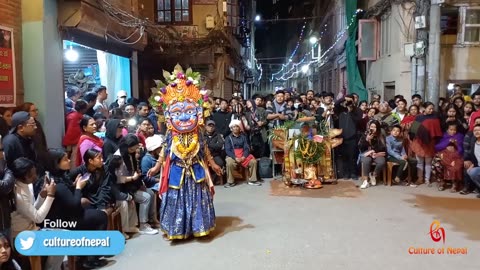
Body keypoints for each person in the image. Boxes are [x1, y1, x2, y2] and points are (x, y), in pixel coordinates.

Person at [155, 70, 222, 240]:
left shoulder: (198, 133)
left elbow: (205, 149)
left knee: (198, 201)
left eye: (189, 112)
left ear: (198, 113)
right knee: (176, 201)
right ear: (168, 115)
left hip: (196, 173)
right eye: (177, 113)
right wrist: (157, 165)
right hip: (177, 173)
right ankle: (178, 230)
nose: (184, 117)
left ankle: (198, 228)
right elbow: (165, 149)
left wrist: (213, 164)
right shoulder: (171, 134)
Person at [44, 149, 108, 269]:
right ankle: (90, 258)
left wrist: (74, 186)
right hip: (64, 221)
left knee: (93, 212)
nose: (69, 161)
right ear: (56, 164)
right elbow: (74, 205)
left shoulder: (61, 177)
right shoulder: (57, 182)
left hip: (68, 215)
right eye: (65, 160)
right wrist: (78, 187)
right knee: (101, 217)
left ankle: (85, 256)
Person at [10, 158, 64, 270]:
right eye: (33, 174)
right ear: (25, 176)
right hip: (20, 236)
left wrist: (42, 195)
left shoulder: (27, 184)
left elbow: (33, 211)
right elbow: (38, 218)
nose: (36, 176)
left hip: (32, 229)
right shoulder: (18, 194)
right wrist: (50, 195)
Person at [409, 102, 442, 186]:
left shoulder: (436, 117)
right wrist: (412, 138)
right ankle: (420, 178)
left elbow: (437, 131)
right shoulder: (419, 117)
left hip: (430, 142)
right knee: (419, 162)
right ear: (424, 108)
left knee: (428, 162)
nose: (431, 110)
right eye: (429, 108)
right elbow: (413, 130)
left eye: (432, 109)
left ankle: (427, 179)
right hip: (419, 142)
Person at [224, 120, 261, 188]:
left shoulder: (244, 137)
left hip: (243, 155)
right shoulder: (228, 138)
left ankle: (252, 180)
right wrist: (235, 158)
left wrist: (243, 157)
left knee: (253, 161)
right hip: (233, 156)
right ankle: (230, 182)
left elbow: (247, 148)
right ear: (231, 129)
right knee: (229, 162)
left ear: (239, 128)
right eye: (234, 127)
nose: (235, 128)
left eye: (237, 126)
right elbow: (227, 150)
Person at [359, 120, 386, 189]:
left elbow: (383, 147)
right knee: (366, 161)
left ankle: (373, 175)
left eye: (375, 127)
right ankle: (365, 181)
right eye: (371, 126)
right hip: (367, 153)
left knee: (381, 162)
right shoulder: (365, 134)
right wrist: (367, 140)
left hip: (377, 153)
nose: (373, 128)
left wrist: (374, 151)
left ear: (378, 128)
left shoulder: (381, 136)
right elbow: (360, 147)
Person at [204, 120, 225, 185]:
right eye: (209, 126)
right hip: (205, 155)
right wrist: (214, 145)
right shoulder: (202, 135)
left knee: (220, 163)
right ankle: (206, 180)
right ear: (205, 127)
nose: (210, 128)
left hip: (215, 155)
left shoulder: (218, 135)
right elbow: (202, 146)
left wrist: (208, 145)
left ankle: (215, 179)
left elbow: (220, 145)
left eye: (212, 126)